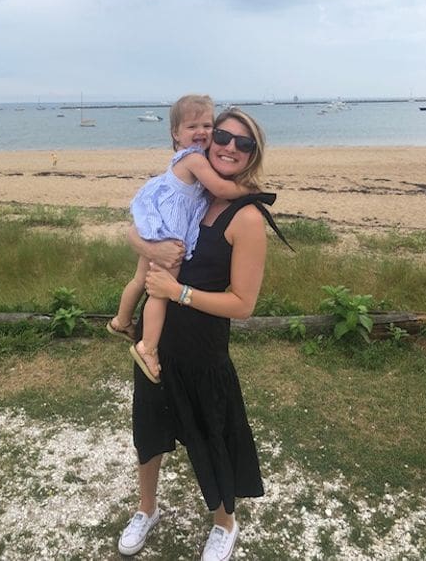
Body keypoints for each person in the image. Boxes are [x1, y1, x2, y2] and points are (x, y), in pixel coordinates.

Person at [118, 107, 287, 560]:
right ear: (204, 142)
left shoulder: (246, 217)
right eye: (223, 137)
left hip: (202, 349)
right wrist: (144, 245)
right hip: (154, 346)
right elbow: (139, 225)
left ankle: (224, 523)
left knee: (209, 434)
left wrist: (178, 291)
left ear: (254, 154)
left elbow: (244, 305)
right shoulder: (194, 193)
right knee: (149, 429)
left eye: (243, 143)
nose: (231, 146)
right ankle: (146, 509)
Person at [107, 95, 251, 384]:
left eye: (208, 125)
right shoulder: (195, 158)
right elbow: (220, 188)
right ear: (176, 133)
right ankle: (148, 346)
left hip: (158, 221)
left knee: (139, 280)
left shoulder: (184, 157)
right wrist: (245, 191)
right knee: (160, 290)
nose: (201, 132)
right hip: (171, 231)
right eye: (192, 126)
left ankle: (121, 321)